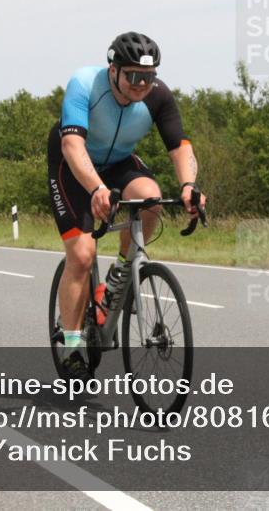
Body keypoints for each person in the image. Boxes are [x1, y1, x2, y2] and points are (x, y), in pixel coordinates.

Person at [47, 32, 205, 379]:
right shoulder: (84, 83)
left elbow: (179, 146)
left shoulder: (158, 95)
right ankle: (72, 344)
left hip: (117, 161)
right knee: (83, 254)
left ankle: (121, 270)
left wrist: (189, 186)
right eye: (133, 75)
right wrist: (97, 189)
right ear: (113, 70)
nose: (142, 84)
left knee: (150, 196)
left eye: (149, 76)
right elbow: (73, 147)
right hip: (73, 166)